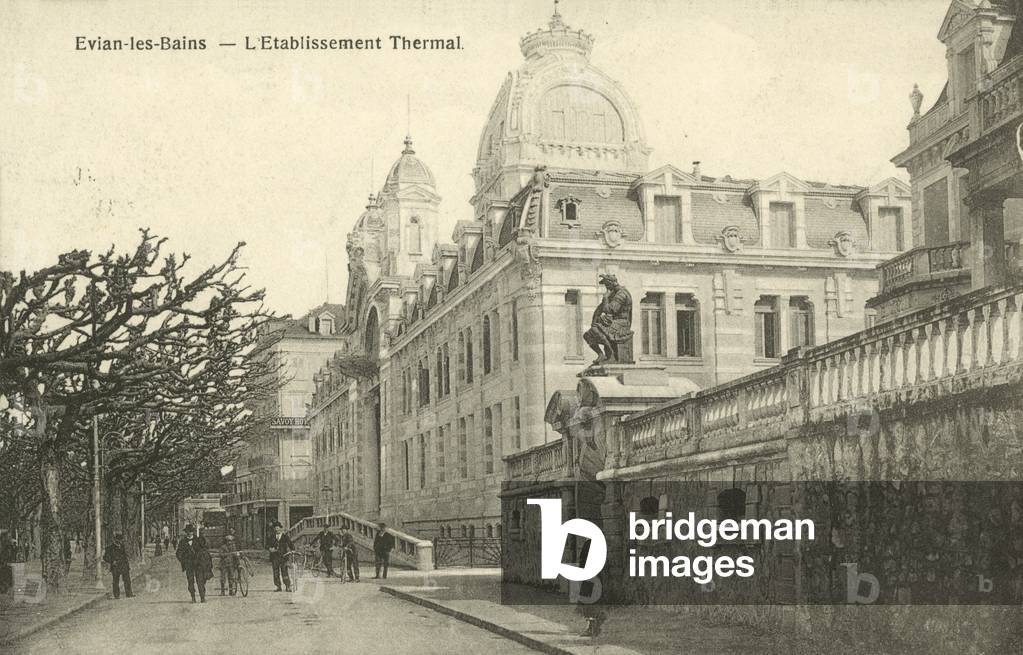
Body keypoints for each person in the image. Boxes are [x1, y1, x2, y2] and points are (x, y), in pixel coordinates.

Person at [176, 524, 210, 603]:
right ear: (186, 532)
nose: (189, 533)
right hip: (189, 565)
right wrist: (183, 560)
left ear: (193, 532)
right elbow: (178, 553)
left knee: (200, 580)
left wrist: (201, 559)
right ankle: (193, 597)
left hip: (198, 564)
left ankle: (202, 597)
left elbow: (204, 549)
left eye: (191, 531)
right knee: (190, 581)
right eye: (188, 531)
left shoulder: (198, 540)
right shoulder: (182, 542)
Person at [102, 532, 134, 599]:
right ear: (115, 540)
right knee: (115, 581)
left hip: (124, 566)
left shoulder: (122, 547)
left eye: (121, 540)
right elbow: (105, 557)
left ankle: (129, 593)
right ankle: (116, 595)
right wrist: (112, 561)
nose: (120, 541)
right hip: (116, 566)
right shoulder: (110, 548)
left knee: (127, 580)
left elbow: (125, 556)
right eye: (119, 540)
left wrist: (127, 563)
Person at [267, 521, 293, 592]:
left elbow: (290, 544)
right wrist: (270, 548)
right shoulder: (272, 537)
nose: (277, 530)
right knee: (275, 572)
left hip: (283, 556)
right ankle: (278, 586)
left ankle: (287, 586)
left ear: (281, 529)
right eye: (275, 528)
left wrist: (293, 550)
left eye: (278, 528)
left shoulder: (285, 537)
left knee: (284, 571)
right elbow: (267, 545)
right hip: (274, 557)